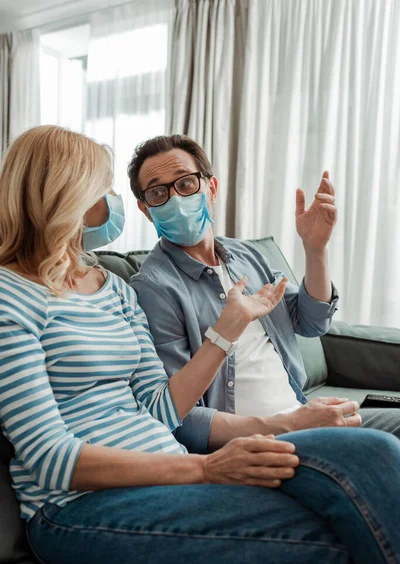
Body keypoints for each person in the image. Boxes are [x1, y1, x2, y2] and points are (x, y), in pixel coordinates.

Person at [1, 126, 400, 564]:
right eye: (103, 189)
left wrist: (225, 330)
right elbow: (50, 459)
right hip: (79, 508)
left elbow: (159, 408)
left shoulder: (114, 289)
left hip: (173, 477)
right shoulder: (11, 296)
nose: (113, 202)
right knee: (353, 538)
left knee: (374, 455)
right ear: (63, 195)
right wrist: (207, 470)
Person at [128, 134, 400, 453]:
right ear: (146, 210)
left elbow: (311, 323)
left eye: (185, 184)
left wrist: (316, 250)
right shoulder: (153, 287)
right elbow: (177, 415)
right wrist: (289, 425)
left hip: (303, 414)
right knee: (383, 453)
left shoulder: (247, 255)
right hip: (257, 443)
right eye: (159, 192)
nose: (175, 199)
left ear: (210, 188)